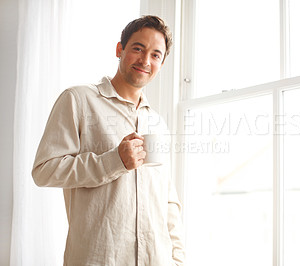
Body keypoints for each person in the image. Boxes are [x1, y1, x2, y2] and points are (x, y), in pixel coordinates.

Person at [32, 15, 185, 266]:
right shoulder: (78, 100)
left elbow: (167, 199)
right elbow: (43, 171)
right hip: (99, 259)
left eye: (156, 55)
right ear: (120, 49)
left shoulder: (158, 123)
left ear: (162, 62)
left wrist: (177, 258)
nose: (145, 60)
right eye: (138, 48)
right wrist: (113, 161)